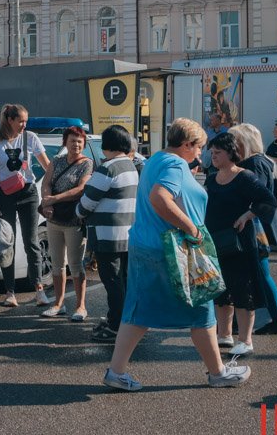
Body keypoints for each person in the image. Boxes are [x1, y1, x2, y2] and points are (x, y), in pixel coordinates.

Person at [103, 117, 251, 391]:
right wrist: (192, 228)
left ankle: (116, 371)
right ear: (186, 144)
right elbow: (160, 197)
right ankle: (218, 372)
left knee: (138, 311)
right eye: (198, 148)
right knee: (200, 307)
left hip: (147, 245)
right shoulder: (175, 164)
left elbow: (158, 196)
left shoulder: (156, 160)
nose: (200, 154)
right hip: (172, 250)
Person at [205, 132, 277, 358]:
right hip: (216, 241)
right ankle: (224, 334)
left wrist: (248, 215)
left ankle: (246, 340)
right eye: (212, 152)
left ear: (230, 153)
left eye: (218, 153)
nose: (213, 156)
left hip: (240, 242)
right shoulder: (212, 177)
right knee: (221, 289)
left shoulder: (245, 176)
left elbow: (268, 200)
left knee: (243, 289)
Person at [76, 125, 138, 343]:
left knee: (112, 282)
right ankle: (123, 320)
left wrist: (78, 211)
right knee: (124, 281)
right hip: (128, 234)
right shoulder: (130, 166)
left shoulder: (108, 168)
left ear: (106, 145)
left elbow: (87, 202)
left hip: (107, 235)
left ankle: (115, 326)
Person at [0, 103, 51, 307]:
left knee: (31, 241)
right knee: (7, 242)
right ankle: (10, 292)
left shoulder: (30, 137)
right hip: (5, 194)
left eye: (26, 121)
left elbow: (47, 166)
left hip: (28, 192)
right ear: (10, 120)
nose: (24, 125)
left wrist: (48, 191)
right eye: (20, 121)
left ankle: (39, 289)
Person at [233, 123, 277, 335]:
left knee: (259, 274)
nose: (233, 145)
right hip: (260, 226)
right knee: (259, 274)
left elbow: (259, 196)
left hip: (254, 227)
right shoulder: (262, 160)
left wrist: (247, 214)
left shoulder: (253, 163)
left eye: (236, 141)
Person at [39, 126, 95, 320]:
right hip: (54, 219)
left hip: (74, 221)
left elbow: (81, 189)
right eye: (72, 140)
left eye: (80, 141)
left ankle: (81, 307)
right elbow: (46, 183)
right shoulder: (57, 161)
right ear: (65, 142)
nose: (76, 144)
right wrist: (47, 202)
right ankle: (58, 303)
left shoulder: (87, 163)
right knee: (57, 264)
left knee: (76, 264)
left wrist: (55, 199)